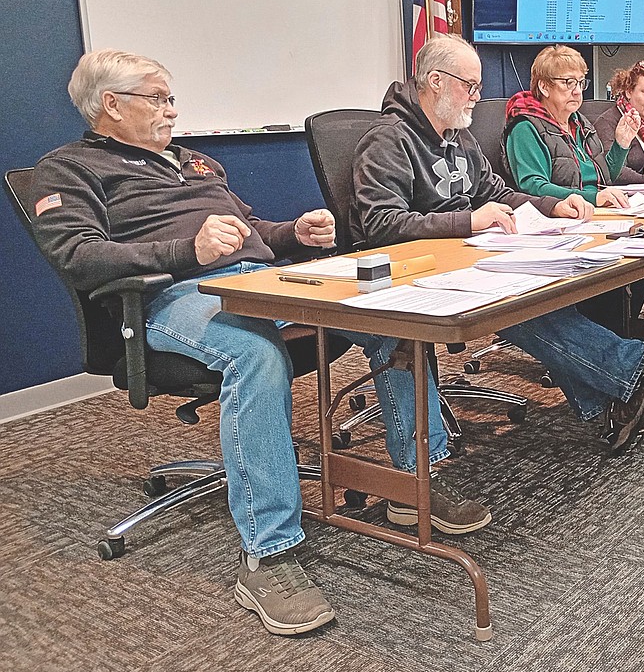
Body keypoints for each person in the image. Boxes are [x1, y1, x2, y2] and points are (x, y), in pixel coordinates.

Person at [30, 50, 481, 638]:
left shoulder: (192, 162)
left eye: (172, 98)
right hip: (166, 299)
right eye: (158, 99)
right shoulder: (67, 169)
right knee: (256, 354)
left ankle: (414, 484)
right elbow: (80, 258)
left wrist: (291, 233)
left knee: (394, 316)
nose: (172, 110)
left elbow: (246, 230)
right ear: (111, 105)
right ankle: (270, 556)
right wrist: (187, 250)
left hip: (257, 280)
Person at [349, 34, 644, 461]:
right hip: (405, 272)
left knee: (533, 302)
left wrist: (553, 205)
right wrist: (468, 220)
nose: (476, 96)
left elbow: (498, 191)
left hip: (464, 256)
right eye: (470, 85)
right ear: (434, 81)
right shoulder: (388, 140)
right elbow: (380, 224)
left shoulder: (459, 137)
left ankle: (620, 394)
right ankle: (638, 371)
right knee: (518, 305)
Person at [502, 44, 635, 209]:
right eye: (568, 82)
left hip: (596, 211)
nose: (578, 91)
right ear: (544, 87)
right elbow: (534, 187)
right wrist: (593, 198)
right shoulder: (525, 127)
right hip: (560, 217)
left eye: (580, 82)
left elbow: (604, 177)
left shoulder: (580, 123)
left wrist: (621, 144)